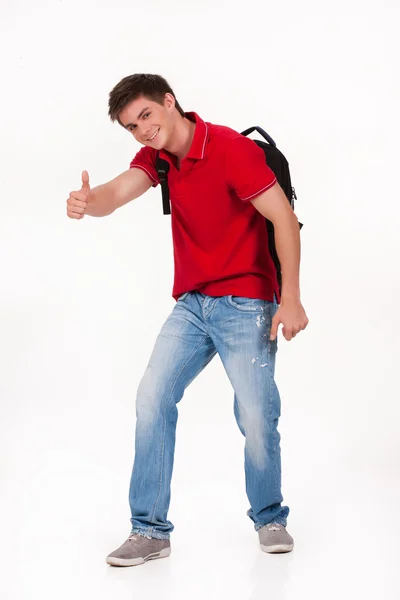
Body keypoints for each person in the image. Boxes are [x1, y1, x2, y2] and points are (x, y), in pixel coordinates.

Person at [66, 74, 309, 568]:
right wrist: (89, 204)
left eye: (147, 117)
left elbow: (283, 217)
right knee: (152, 399)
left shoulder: (230, 149)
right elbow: (116, 192)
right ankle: (149, 530)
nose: (143, 131)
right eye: (132, 127)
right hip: (193, 304)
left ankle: (270, 518)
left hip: (247, 300)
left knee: (257, 416)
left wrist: (292, 299)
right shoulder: (158, 158)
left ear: (169, 102)